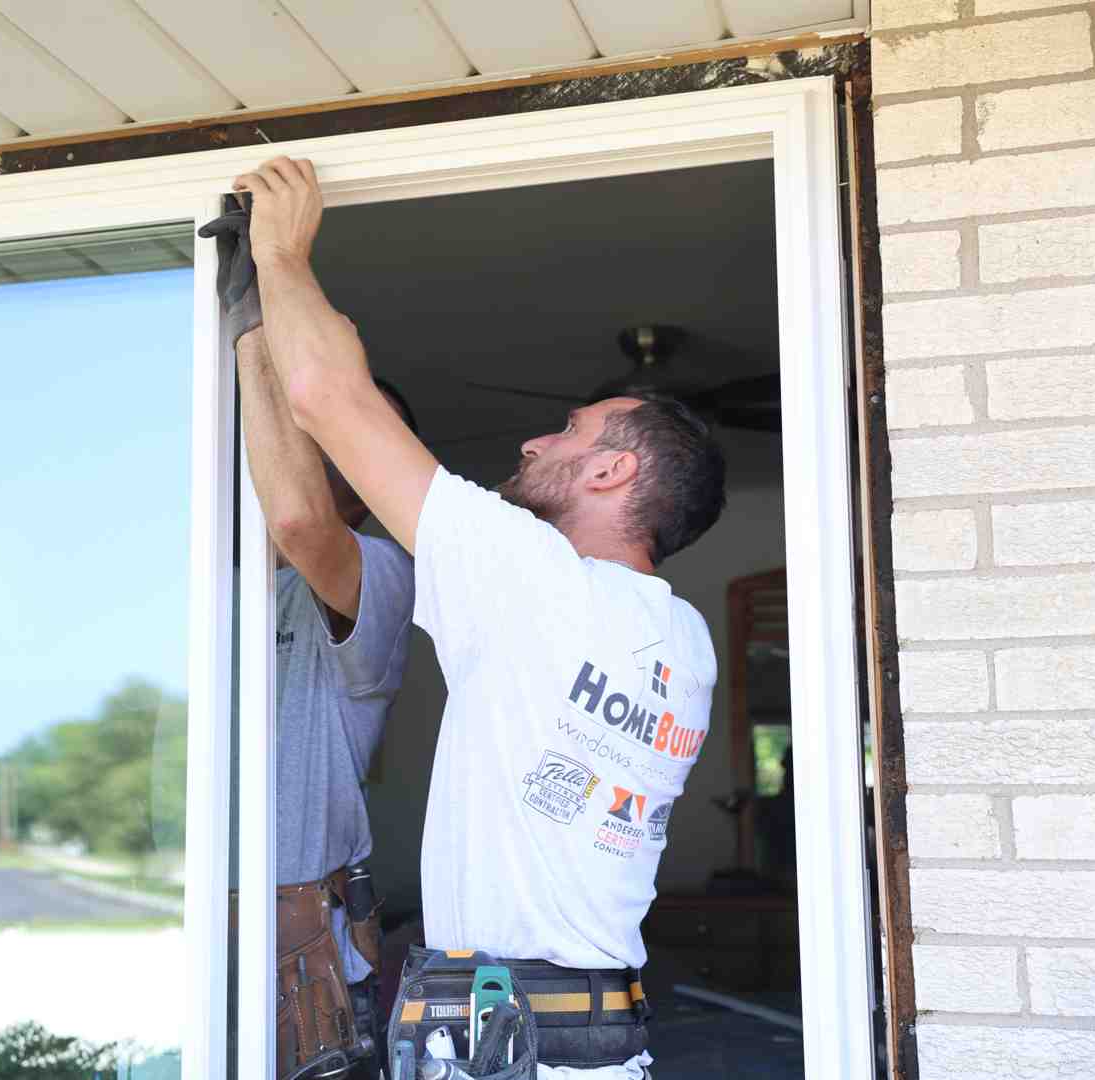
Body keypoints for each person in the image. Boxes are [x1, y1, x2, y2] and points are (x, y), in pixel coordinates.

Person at [228, 157, 726, 1080]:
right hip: (579, 1037)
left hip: (518, 1043)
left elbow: (328, 399)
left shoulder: (540, 581)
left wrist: (278, 257)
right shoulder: (683, 641)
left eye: (571, 432)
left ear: (613, 474)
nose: (537, 439)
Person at [203, 197, 419, 1080]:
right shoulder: (208, 591)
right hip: (185, 957)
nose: (293, 447)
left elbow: (296, 515)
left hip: (299, 980)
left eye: (323, 436)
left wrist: (252, 324)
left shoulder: (382, 572)